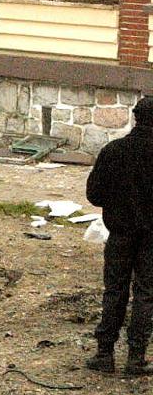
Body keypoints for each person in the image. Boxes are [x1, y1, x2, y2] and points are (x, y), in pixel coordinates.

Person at [83, 96, 153, 376]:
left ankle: (105, 353)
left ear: (135, 117)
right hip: (152, 239)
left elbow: (94, 194)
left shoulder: (114, 151)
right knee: (146, 294)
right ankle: (136, 357)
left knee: (115, 290)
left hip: (120, 233)